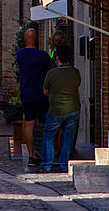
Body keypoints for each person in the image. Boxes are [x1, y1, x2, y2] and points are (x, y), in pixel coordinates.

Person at [40, 42, 81, 173]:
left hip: (56, 110)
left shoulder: (51, 74)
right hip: (73, 109)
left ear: (57, 57)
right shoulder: (75, 72)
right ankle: (64, 165)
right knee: (68, 137)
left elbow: (45, 91)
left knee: (48, 136)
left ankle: (47, 164)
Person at [15, 27, 53, 165]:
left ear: (25, 39)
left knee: (29, 124)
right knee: (44, 125)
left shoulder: (20, 54)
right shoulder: (42, 55)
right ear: (36, 39)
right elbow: (52, 68)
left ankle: (31, 155)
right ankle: (46, 154)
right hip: (41, 94)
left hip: (26, 94)